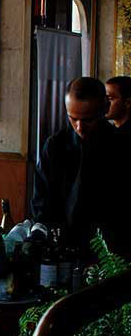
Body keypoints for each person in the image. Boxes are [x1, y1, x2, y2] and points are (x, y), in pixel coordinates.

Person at [31, 77, 123, 258]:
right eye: (73, 118)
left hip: (110, 253)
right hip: (61, 248)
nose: (80, 127)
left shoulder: (121, 147)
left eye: (88, 120)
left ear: (104, 109)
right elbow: (41, 201)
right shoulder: (55, 145)